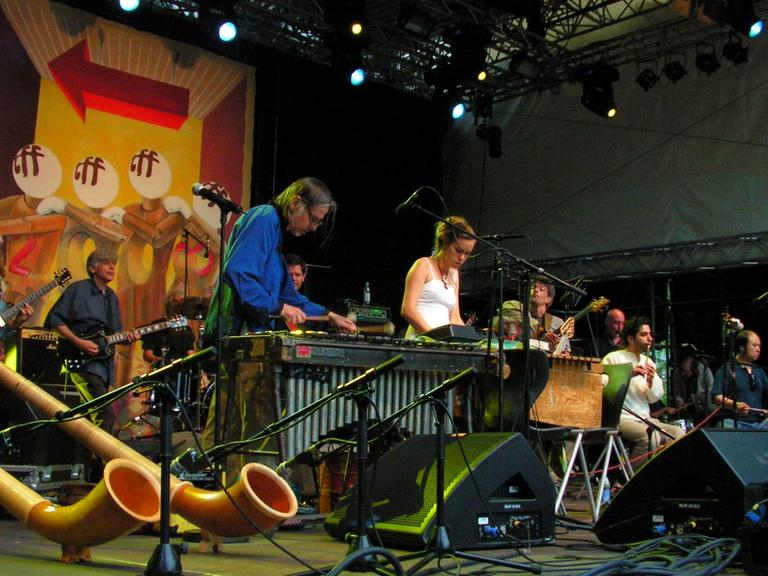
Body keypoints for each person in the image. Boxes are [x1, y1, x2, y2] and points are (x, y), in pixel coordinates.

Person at [201, 177, 356, 482]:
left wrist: (328, 315)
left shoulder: (275, 234)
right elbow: (238, 272)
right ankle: (245, 499)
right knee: (253, 428)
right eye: (313, 218)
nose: (313, 227)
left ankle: (224, 502)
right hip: (240, 339)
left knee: (230, 428)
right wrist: (278, 309)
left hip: (246, 342)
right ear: (296, 202)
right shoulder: (264, 219)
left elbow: (288, 295)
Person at [45, 250, 140, 436]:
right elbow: (54, 321)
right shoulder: (78, 290)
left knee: (100, 417)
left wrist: (128, 340)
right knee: (105, 415)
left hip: (105, 366)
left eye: (113, 263)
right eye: (106, 262)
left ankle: (91, 461)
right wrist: (79, 342)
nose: (112, 267)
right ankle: (101, 463)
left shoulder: (112, 297)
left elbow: (115, 335)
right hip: (83, 363)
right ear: (92, 268)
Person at [602, 316, 684, 466]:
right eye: (644, 334)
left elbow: (654, 398)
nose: (650, 338)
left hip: (645, 418)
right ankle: (628, 482)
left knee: (678, 434)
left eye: (650, 334)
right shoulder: (613, 358)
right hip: (621, 418)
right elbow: (604, 387)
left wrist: (651, 382)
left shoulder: (648, 361)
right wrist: (629, 373)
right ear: (631, 338)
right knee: (651, 437)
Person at [401, 216, 476, 338]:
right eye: (458, 250)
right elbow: (408, 309)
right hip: (421, 340)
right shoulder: (423, 265)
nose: (462, 258)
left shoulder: (454, 274)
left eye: (467, 253)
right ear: (444, 243)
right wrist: (435, 338)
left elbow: (454, 317)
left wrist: (470, 340)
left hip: (443, 343)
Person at [498, 279, 574, 355]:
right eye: (533, 288)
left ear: (548, 299)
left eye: (541, 289)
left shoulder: (558, 323)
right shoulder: (517, 315)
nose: (536, 290)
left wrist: (557, 347)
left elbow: (565, 354)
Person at [712, 330, 768, 430]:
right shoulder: (727, 368)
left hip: (759, 423)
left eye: (759, 346)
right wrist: (735, 405)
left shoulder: (759, 371)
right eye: (754, 346)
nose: (758, 349)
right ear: (742, 347)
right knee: (725, 426)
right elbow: (717, 397)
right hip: (735, 422)